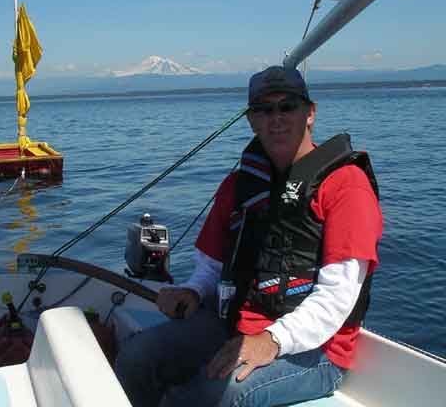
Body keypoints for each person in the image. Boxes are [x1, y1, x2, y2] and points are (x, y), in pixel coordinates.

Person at [114, 66, 382, 407]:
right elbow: (212, 265)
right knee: (137, 358)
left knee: (217, 394)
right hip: (233, 325)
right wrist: (193, 290)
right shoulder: (239, 185)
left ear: (310, 113)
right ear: (251, 120)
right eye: (264, 110)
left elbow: (338, 296)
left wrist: (272, 339)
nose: (276, 119)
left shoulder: (346, 186)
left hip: (316, 351)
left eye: (287, 106)